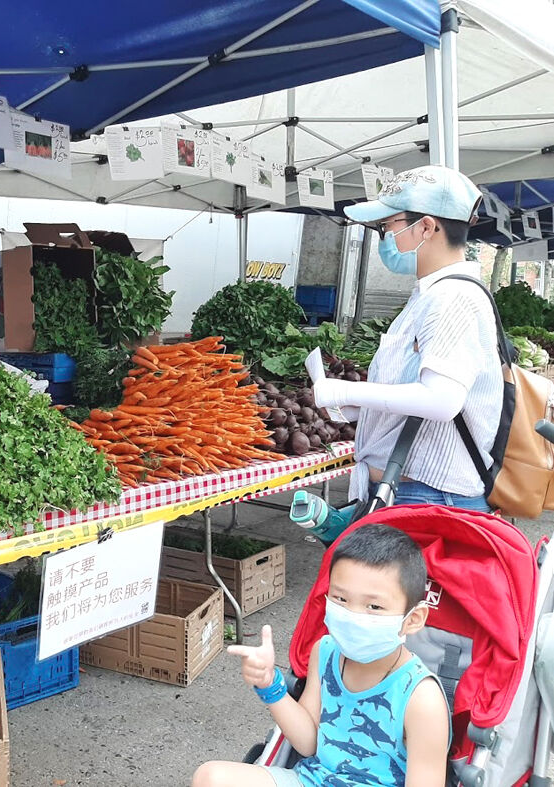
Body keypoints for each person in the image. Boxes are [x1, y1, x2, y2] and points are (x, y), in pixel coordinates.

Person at [193, 523, 449, 787]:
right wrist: (270, 684)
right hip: (312, 779)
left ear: (413, 618)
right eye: (340, 599)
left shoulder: (422, 699)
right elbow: (307, 742)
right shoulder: (325, 652)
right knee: (211, 777)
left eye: (374, 606)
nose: (353, 615)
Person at [311, 165, 502, 512]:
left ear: (427, 227)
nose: (385, 236)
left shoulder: (452, 298)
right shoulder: (431, 294)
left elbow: (442, 400)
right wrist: (361, 407)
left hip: (429, 498)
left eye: (389, 226)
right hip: (409, 491)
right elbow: (415, 386)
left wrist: (346, 391)